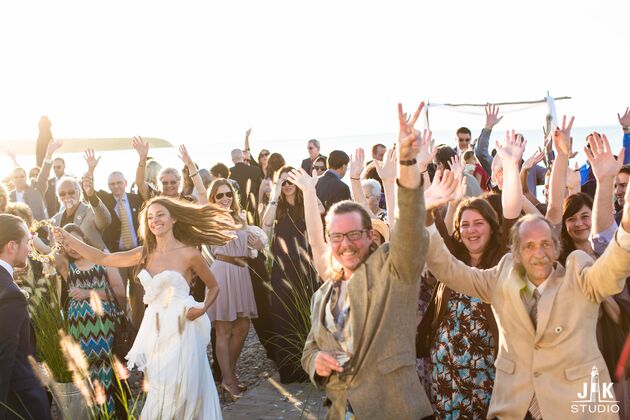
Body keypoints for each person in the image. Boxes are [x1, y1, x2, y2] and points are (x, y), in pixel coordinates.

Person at [423, 128, 630, 419]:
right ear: (516, 252)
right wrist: (426, 212)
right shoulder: (501, 276)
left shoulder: (579, 274)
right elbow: (447, 269)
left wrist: (623, 212)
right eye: (529, 245)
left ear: (557, 248)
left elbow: (615, 265)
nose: (538, 252)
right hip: (516, 409)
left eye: (545, 244)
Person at [298, 102, 447, 419]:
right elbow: (310, 349)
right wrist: (316, 362)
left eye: (354, 234)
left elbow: (409, 227)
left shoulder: (394, 270)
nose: (346, 244)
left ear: (370, 235)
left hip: (398, 410)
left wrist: (407, 162)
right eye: (337, 236)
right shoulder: (322, 295)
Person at [54, 196, 234, 420]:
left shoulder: (189, 253)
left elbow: (214, 286)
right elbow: (103, 258)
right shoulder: (144, 253)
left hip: (183, 327)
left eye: (160, 215)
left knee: (185, 387)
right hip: (155, 330)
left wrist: (202, 308)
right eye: (150, 217)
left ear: (173, 219)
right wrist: (69, 238)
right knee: (161, 388)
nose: (155, 220)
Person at [418, 198, 506, 418]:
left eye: (478, 223)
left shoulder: (502, 263)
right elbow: (433, 228)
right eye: (465, 225)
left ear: (492, 226)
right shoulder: (452, 259)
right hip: (445, 372)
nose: (471, 230)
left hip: (485, 372)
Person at [54, 223, 125, 415]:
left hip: (104, 326)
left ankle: (109, 412)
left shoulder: (103, 259)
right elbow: (43, 250)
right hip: (79, 329)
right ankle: (91, 414)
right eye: (66, 244)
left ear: (83, 239)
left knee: (105, 368)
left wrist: (88, 293)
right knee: (85, 370)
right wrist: (38, 230)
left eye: (74, 241)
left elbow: (120, 291)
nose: (71, 247)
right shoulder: (66, 266)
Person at [262, 166, 323, 383]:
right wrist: (275, 193)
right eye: (284, 182)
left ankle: (311, 366)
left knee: (308, 311)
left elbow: (321, 209)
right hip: (283, 269)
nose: (288, 186)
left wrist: (309, 189)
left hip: (307, 267)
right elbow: (266, 222)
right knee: (284, 314)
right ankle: (290, 368)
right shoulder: (276, 207)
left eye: (291, 182)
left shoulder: (306, 202)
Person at [206, 179, 259, 400]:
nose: (225, 198)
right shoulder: (211, 218)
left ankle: (230, 374)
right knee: (224, 330)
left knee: (243, 327)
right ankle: (228, 380)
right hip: (223, 272)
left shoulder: (241, 217)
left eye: (228, 194)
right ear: (213, 198)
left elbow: (252, 245)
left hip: (241, 272)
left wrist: (256, 243)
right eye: (219, 195)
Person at [84, 148, 146, 328]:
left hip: (137, 254)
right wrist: (91, 169)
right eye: (112, 184)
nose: (116, 186)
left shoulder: (136, 199)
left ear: (125, 183)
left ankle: (137, 331)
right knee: (118, 296)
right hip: (116, 256)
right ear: (108, 186)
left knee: (139, 297)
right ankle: (121, 328)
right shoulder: (105, 199)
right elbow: (88, 192)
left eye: (119, 183)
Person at [0, 214, 52, 420]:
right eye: (27, 242)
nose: (30, 249)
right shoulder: (10, 293)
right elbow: (4, 354)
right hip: (18, 401)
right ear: (12, 246)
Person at [52, 176, 111, 251]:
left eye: (71, 192)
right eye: (62, 194)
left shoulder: (91, 211)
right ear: (58, 198)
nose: (67, 196)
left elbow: (105, 221)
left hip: (93, 257)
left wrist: (92, 196)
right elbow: (53, 250)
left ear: (79, 193)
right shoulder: (54, 220)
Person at [229, 149, 263, 224]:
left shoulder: (229, 172)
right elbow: (260, 190)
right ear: (242, 157)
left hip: (237, 212)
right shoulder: (256, 170)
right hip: (254, 211)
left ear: (232, 160)